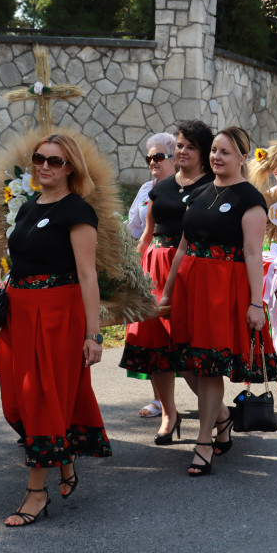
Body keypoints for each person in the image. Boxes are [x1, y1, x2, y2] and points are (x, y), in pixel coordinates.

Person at [0, 132, 112, 526]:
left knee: (41, 399)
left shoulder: (77, 211)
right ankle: (63, 460)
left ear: (71, 168)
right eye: (39, 158)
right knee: (14, 402)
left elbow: (87, 275)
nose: (45, 166)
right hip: (20, 314)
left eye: (56, 161)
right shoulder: (29, 206)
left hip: (57, 316)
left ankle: (34, 493)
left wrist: (92, 334)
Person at [160, 126, 277, 476]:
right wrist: (167, 291)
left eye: (225, 152)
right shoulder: (200, 192)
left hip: (223, 290)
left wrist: (256, 303)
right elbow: (182, 245)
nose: (216, 157)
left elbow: (253, 253)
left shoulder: (250, 199)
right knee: (183, 362)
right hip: (190, 287)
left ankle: (203, 443)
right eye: (213, 150)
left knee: (210, 367)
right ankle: (223, 417)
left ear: (242, 157)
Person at [123, 120, 214, 444]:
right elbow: (146, 235)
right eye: (179, 145)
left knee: (186, 350)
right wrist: (130, 276)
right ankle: (169, 414)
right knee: (153, 349)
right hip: (152, 268)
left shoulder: (208, 187)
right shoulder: (157, 188)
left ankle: (218, 416)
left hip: (185, 270)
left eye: (190, 146)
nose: (181, 151)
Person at [123, 132, 176, 419]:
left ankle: (210, 404)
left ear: (174, 159)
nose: (153, 162)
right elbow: (134, 229)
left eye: (159, 156)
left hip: (174, 261)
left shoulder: (184, 189)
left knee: (177, 333)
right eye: (149, 158)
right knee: (150, 331)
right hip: (147, 263)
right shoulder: (146, 189)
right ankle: (160, 401)